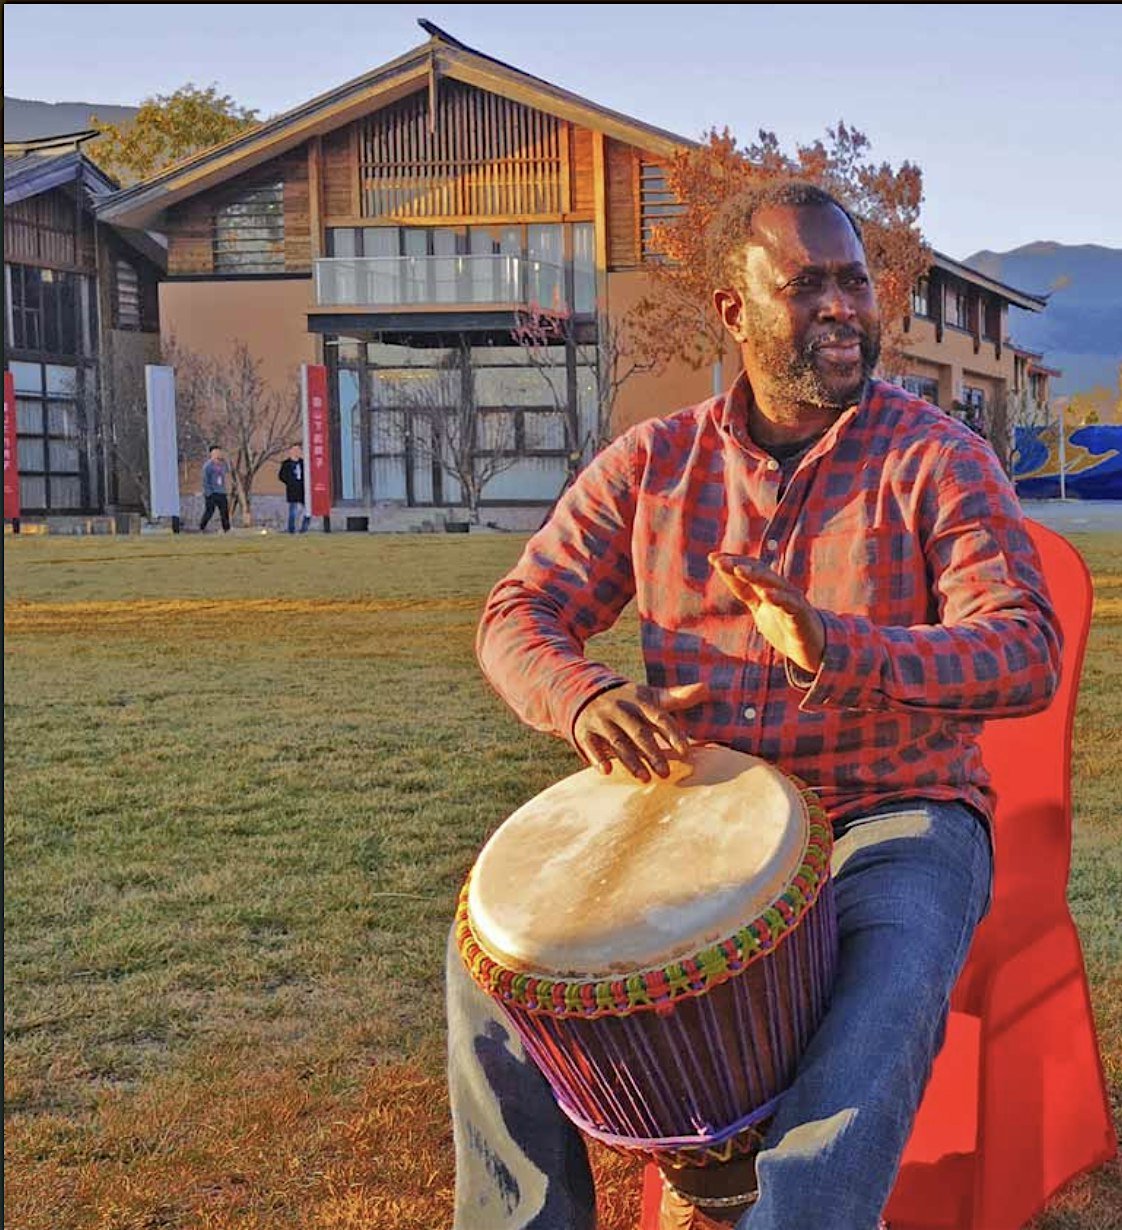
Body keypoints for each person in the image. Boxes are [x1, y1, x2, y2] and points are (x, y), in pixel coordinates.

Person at [452, 180, 1061, 1230]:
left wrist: (840, 647)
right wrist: (585, 697)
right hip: (701, 813)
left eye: (855, 283)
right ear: (735, 310)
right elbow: (518, 614)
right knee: (497, 964)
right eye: (807, 285)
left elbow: (1025, 649)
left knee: (883, 991)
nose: (842, 308)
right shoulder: (655, 464)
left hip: (892, 813)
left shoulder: (937, 459)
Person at [198, 446, 232, 532]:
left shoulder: (222, 464)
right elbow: (205, 480)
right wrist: (208, 493)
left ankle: (226, 529)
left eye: (219, 452)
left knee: (224, 511)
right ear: (211, 454)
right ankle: (202, 527)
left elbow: (228, 471)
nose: (218, 454)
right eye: (215, 453)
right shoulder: (208, 466)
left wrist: (225, 460)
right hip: (212, 492)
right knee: (209, 511)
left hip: (221, 491)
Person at [279, 444, 307, 533]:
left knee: (307, 511)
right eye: (294, 450)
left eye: (298, 450)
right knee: (293, 511)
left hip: (303, 490)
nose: (296, 452)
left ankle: (304, 528)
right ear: (290, 451)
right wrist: (290, 482)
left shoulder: (303, 463)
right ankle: (292, 529)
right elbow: (281, 476)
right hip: (292, 490)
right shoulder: (286, 464)